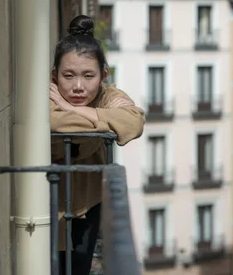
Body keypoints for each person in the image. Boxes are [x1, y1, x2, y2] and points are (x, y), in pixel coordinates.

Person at [49, 14, 145, 275]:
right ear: (54, 75)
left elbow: (134, 121)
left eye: (88, 76)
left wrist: (69, 108)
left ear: (103, 76)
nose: (78, 86)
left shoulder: (107, 95)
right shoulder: (47, 96)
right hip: (46, 209)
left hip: (88, 206)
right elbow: (55, 123)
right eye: (68, 75)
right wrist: (105, 122)